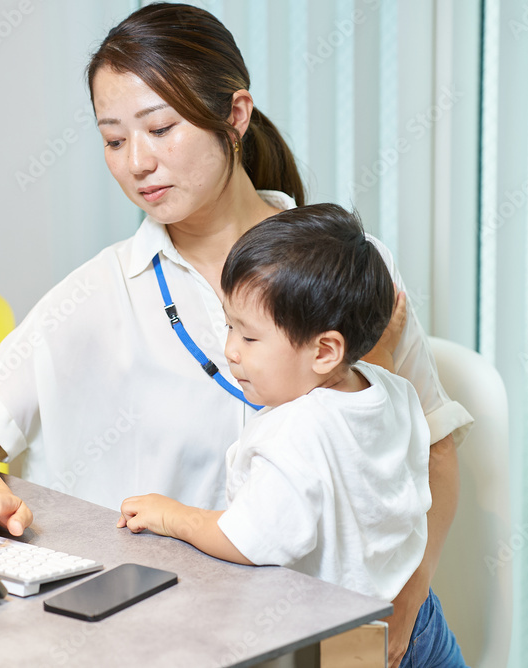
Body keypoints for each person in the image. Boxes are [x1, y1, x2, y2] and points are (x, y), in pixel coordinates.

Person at [0, 4, 472, 664]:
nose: (138, 162)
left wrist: (406, 604)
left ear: (234, 115)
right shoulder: (102, 291)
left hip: (366, 631)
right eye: (115, 141)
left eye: (161, 128)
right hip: (200, 640)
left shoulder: (347, 266)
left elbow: (435, 451)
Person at [117, 205, 466, 667]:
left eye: (249, 337)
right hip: (420, 622)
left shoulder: (294, 433)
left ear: (325, 351)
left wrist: (174, 516)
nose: (230, 350)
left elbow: (249, 541)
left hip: (344, 645)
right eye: (229, 326)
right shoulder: (388, 388)